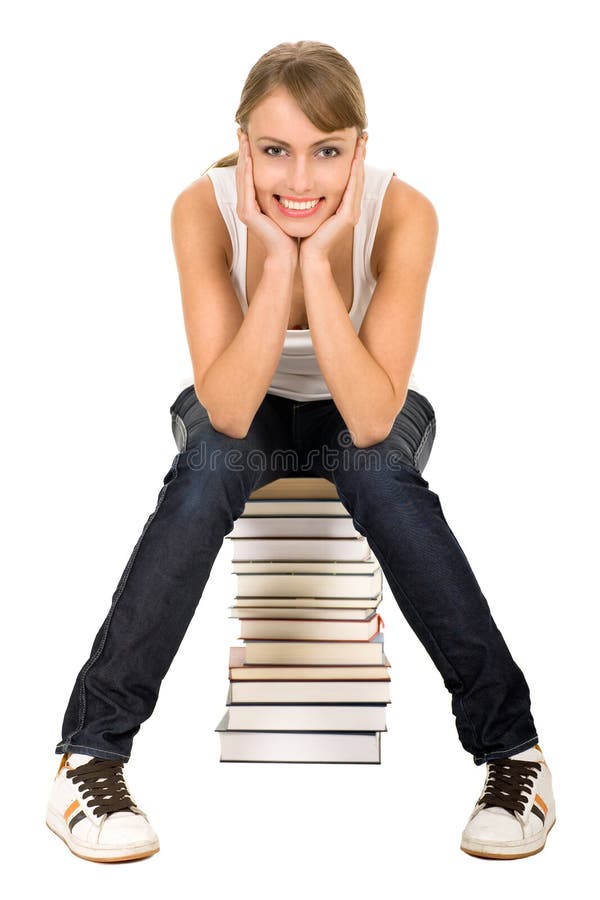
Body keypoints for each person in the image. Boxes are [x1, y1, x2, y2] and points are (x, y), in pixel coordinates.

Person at [46, 40, 556, 863]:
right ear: (243, 143)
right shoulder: (201, 208)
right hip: (240, 401)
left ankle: (513, 757)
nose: (298, 180)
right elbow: (232, 404)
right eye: (274, 150)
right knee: (205, 474)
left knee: (379, 477)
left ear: (361, 147)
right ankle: (90, 755)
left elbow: (367, 416)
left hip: (363, 404)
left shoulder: (404, 212)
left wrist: (319, 259)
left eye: (327, 152)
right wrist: (273, 257)